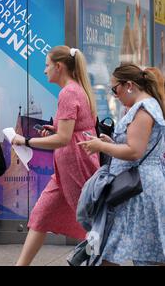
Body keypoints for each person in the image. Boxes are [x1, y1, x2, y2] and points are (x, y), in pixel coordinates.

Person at [11, 46, 100, 265]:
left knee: (94, 223)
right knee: (41, 216)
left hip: (74, 166)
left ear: (59, 67)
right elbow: (74, 131)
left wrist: (27, 141)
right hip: (66, 169)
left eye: (47, 65)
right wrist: (56, 129)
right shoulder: (77, 89)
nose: (45, 71)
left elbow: (63, 139)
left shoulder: (68, 92)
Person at [78, 64, 165, 266]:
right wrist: (111, 144)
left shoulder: (143, 109)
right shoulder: (144, 106)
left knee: (140, 253)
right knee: (117, 247)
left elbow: (135, 151)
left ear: (129, 85)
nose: (114, 94)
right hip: (134, 188)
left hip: (138, 190)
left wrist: (102, 146)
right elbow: (135, 146)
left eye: (114, 88)